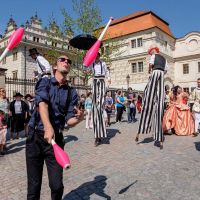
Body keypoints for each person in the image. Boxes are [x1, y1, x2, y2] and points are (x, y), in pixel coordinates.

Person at [26, 55, 84, 200]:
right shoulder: (44, 83)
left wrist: (78, 119)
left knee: (57, 185)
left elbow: (69, 120)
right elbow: (42, 104)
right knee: (34, 185)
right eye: (62, 60)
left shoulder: (72, 92)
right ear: (55, 66)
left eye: (69, 61)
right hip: (36, 138)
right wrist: (48, 126)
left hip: (56, 141)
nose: (67, 62)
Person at [135, 47, 168, 149]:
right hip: (162, 74)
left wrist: (150, 70)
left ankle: (141, 129)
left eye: (150, 53)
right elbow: (166, 70)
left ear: (153, 52)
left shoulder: (153, 56)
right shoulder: (164, 58)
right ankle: (159, 137)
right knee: (159, 101)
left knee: (148, 97)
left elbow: (150, 64)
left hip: (155, 73)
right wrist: (161, 74)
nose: (151, 55)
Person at [84, 52, 111, 146]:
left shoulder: (103, 63)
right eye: (95, 57)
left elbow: (107, 71)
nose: (96, 58)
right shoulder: (92, 64)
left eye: (97, 56)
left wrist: (109, 78)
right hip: (95, 80)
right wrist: (85, 62)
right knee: (96, 109)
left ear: (99, 56)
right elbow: (85, 68)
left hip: (102, 80)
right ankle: (97, 136)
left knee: (100, 107)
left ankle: (101, 134)